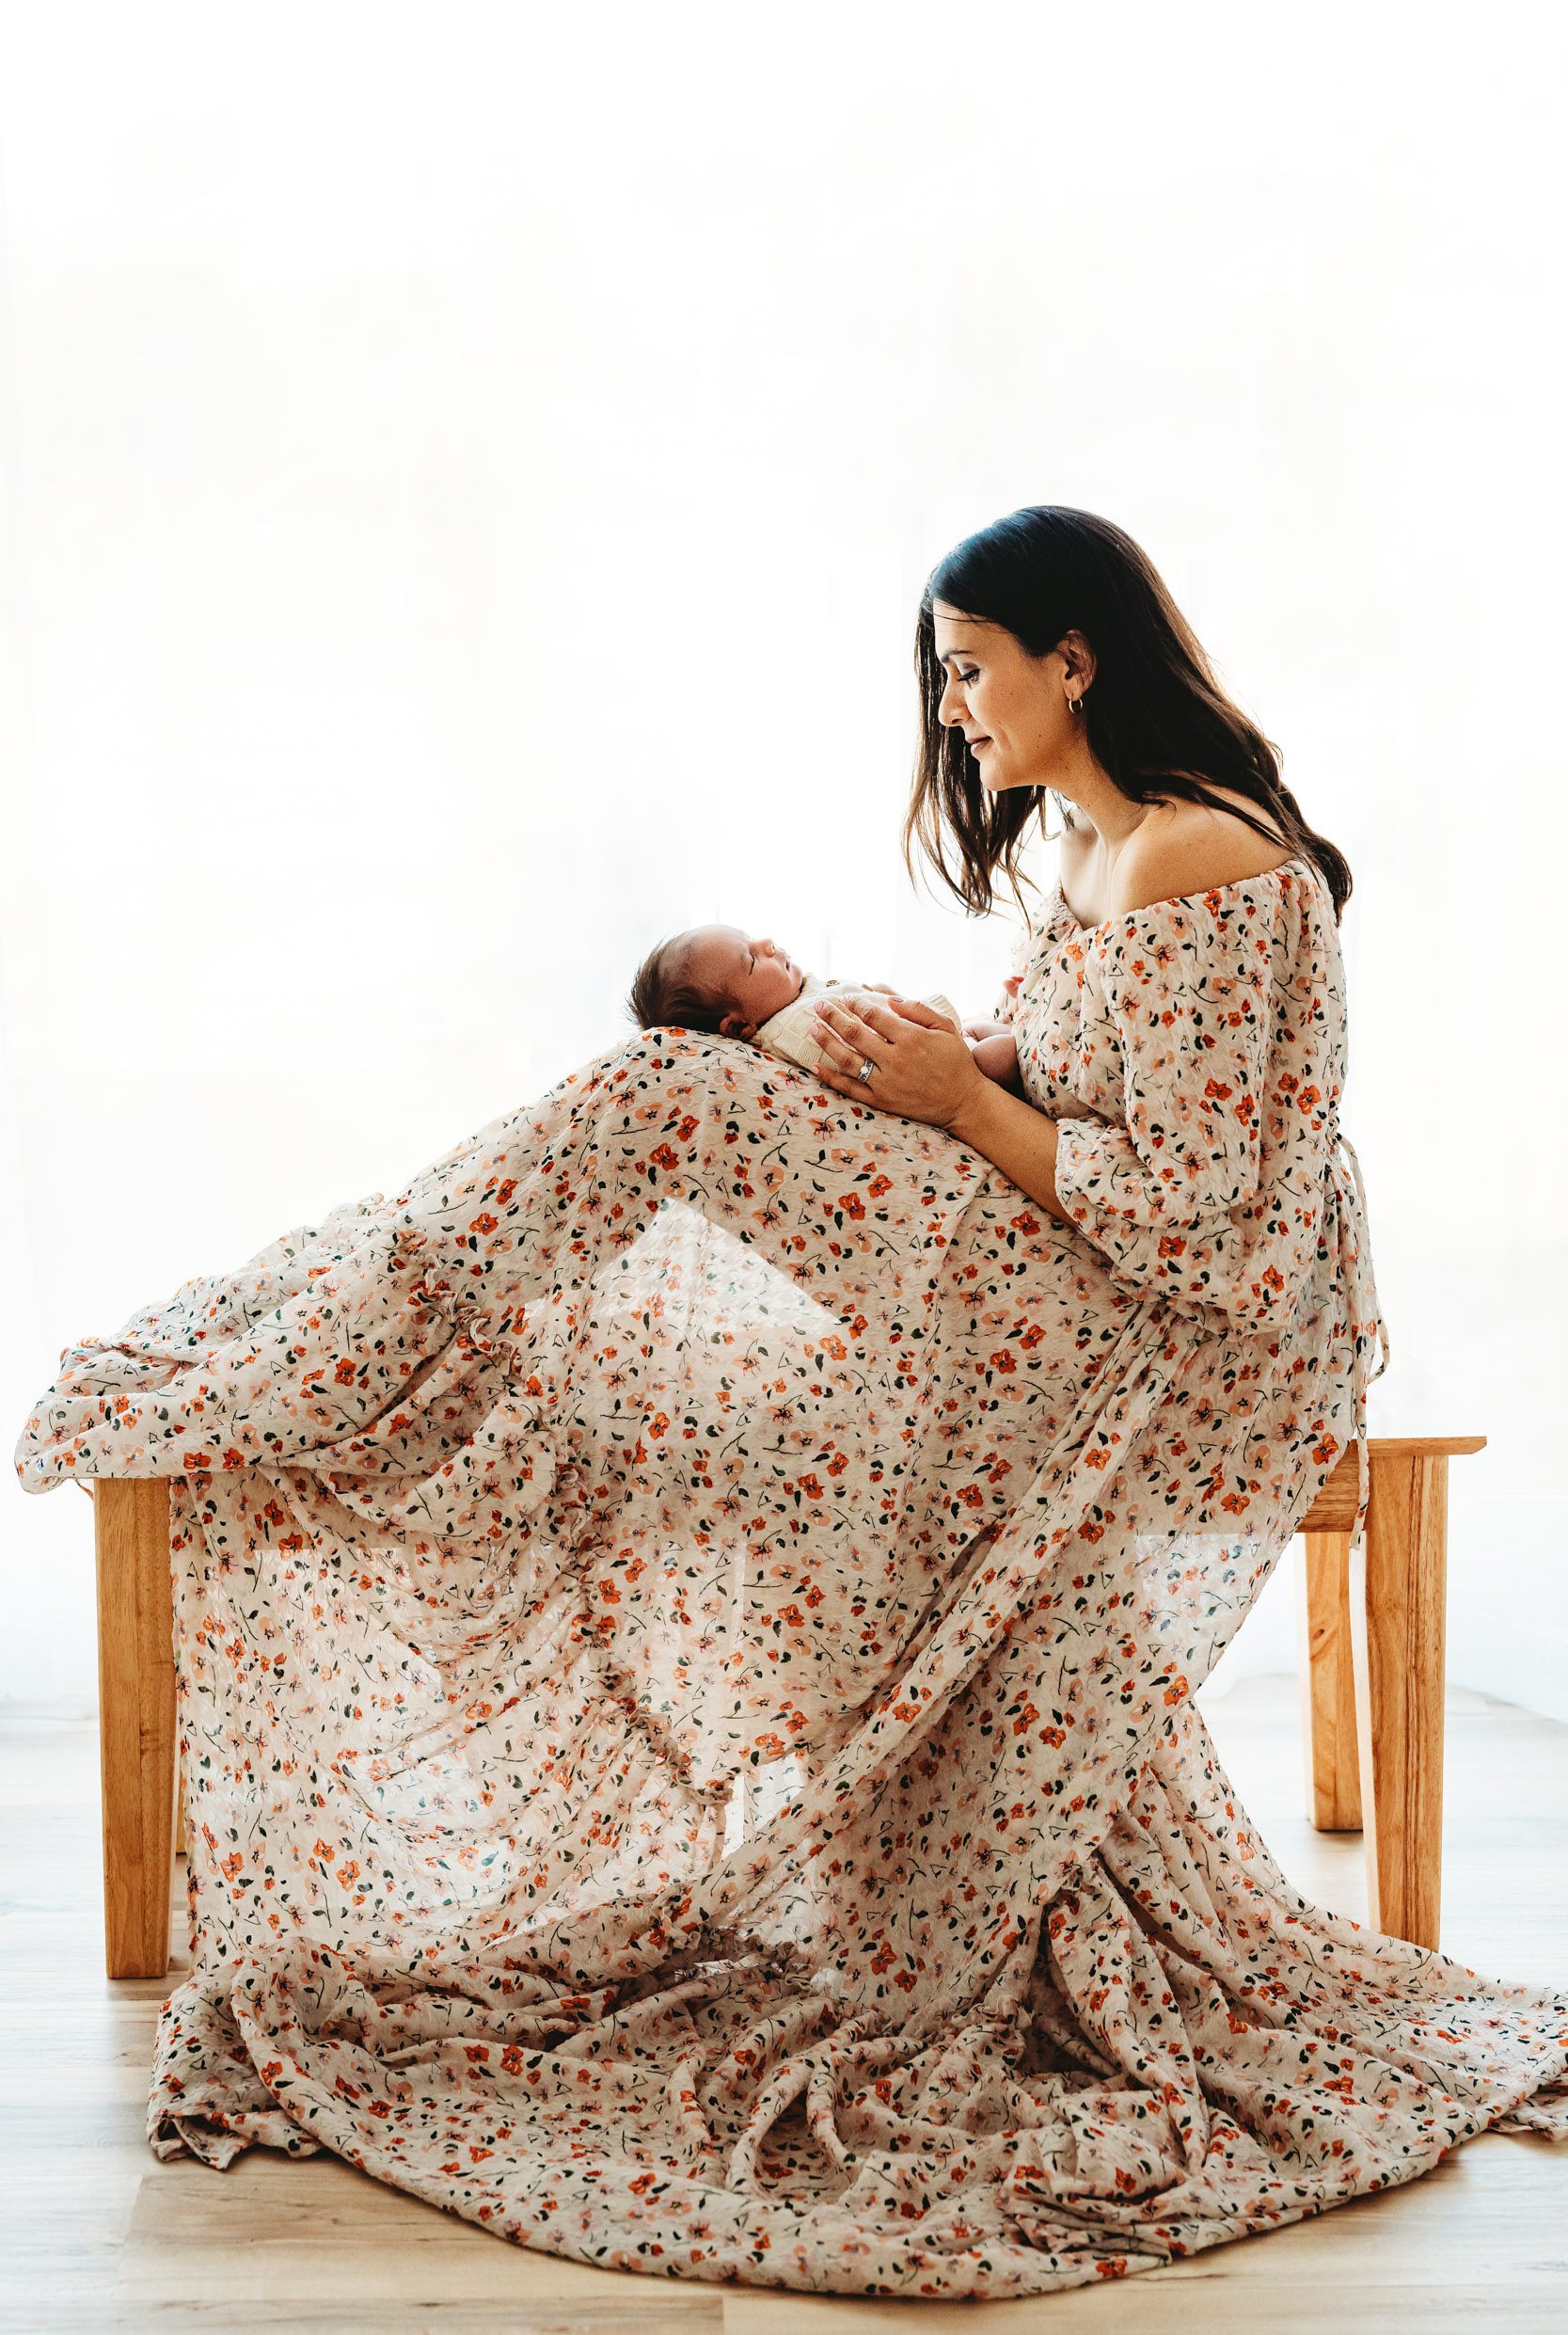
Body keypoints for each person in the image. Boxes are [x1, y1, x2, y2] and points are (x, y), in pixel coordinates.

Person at [15, 504, 1568, 2302]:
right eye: (943, 675)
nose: (954, 709)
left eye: (971, 670)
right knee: (682, 1098)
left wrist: (955, 1102)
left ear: (1076, 661)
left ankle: (346, 1337)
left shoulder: (1197, 861)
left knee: (667, 1107)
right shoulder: (1098, 844)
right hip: (1066, 1258)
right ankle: (368, 1318)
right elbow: (1083, 1080)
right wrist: (933, 1063)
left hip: (1169, 1335)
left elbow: (1217, 1223)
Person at [626, 919, 1024, 1086]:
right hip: (951, 1064)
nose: (767, 945)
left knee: (988, 1024)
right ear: (738, 1027)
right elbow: (865, 1055)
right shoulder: (798, 1031)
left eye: (751, 938)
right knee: (1005, 1052)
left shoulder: (798, 1001)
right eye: (752, 960)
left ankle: (1030, 1021)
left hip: (945, 1034)